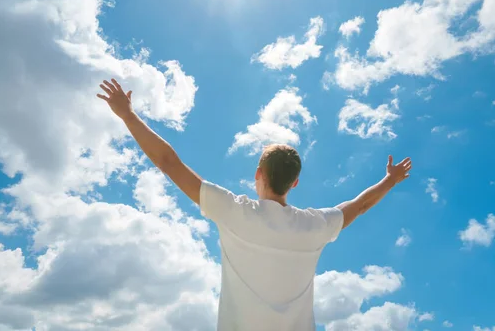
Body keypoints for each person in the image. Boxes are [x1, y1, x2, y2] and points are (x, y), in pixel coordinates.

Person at [97, 79, 412, 331]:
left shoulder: (235, 212)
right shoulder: (314, 226)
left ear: (258, 174)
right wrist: (391, 180)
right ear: (294, 183)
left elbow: (169, 163)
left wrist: (127, 114)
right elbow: (360, 205)